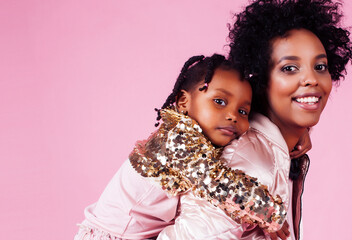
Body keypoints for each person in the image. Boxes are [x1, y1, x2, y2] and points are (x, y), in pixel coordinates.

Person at [158, 0, 352, 239]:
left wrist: (300, 132)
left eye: (320, 66)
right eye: (289, 68)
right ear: (261, 80)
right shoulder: (248, 160)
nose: (312, 79)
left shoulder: (277, 148)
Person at [74, 54, 289, 240]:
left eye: (243, 111)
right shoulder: (177, 139)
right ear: (184, 102)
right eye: (220, 102)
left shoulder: (200, 139)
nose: (233, 115)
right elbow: (219, 185)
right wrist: (271, 214)